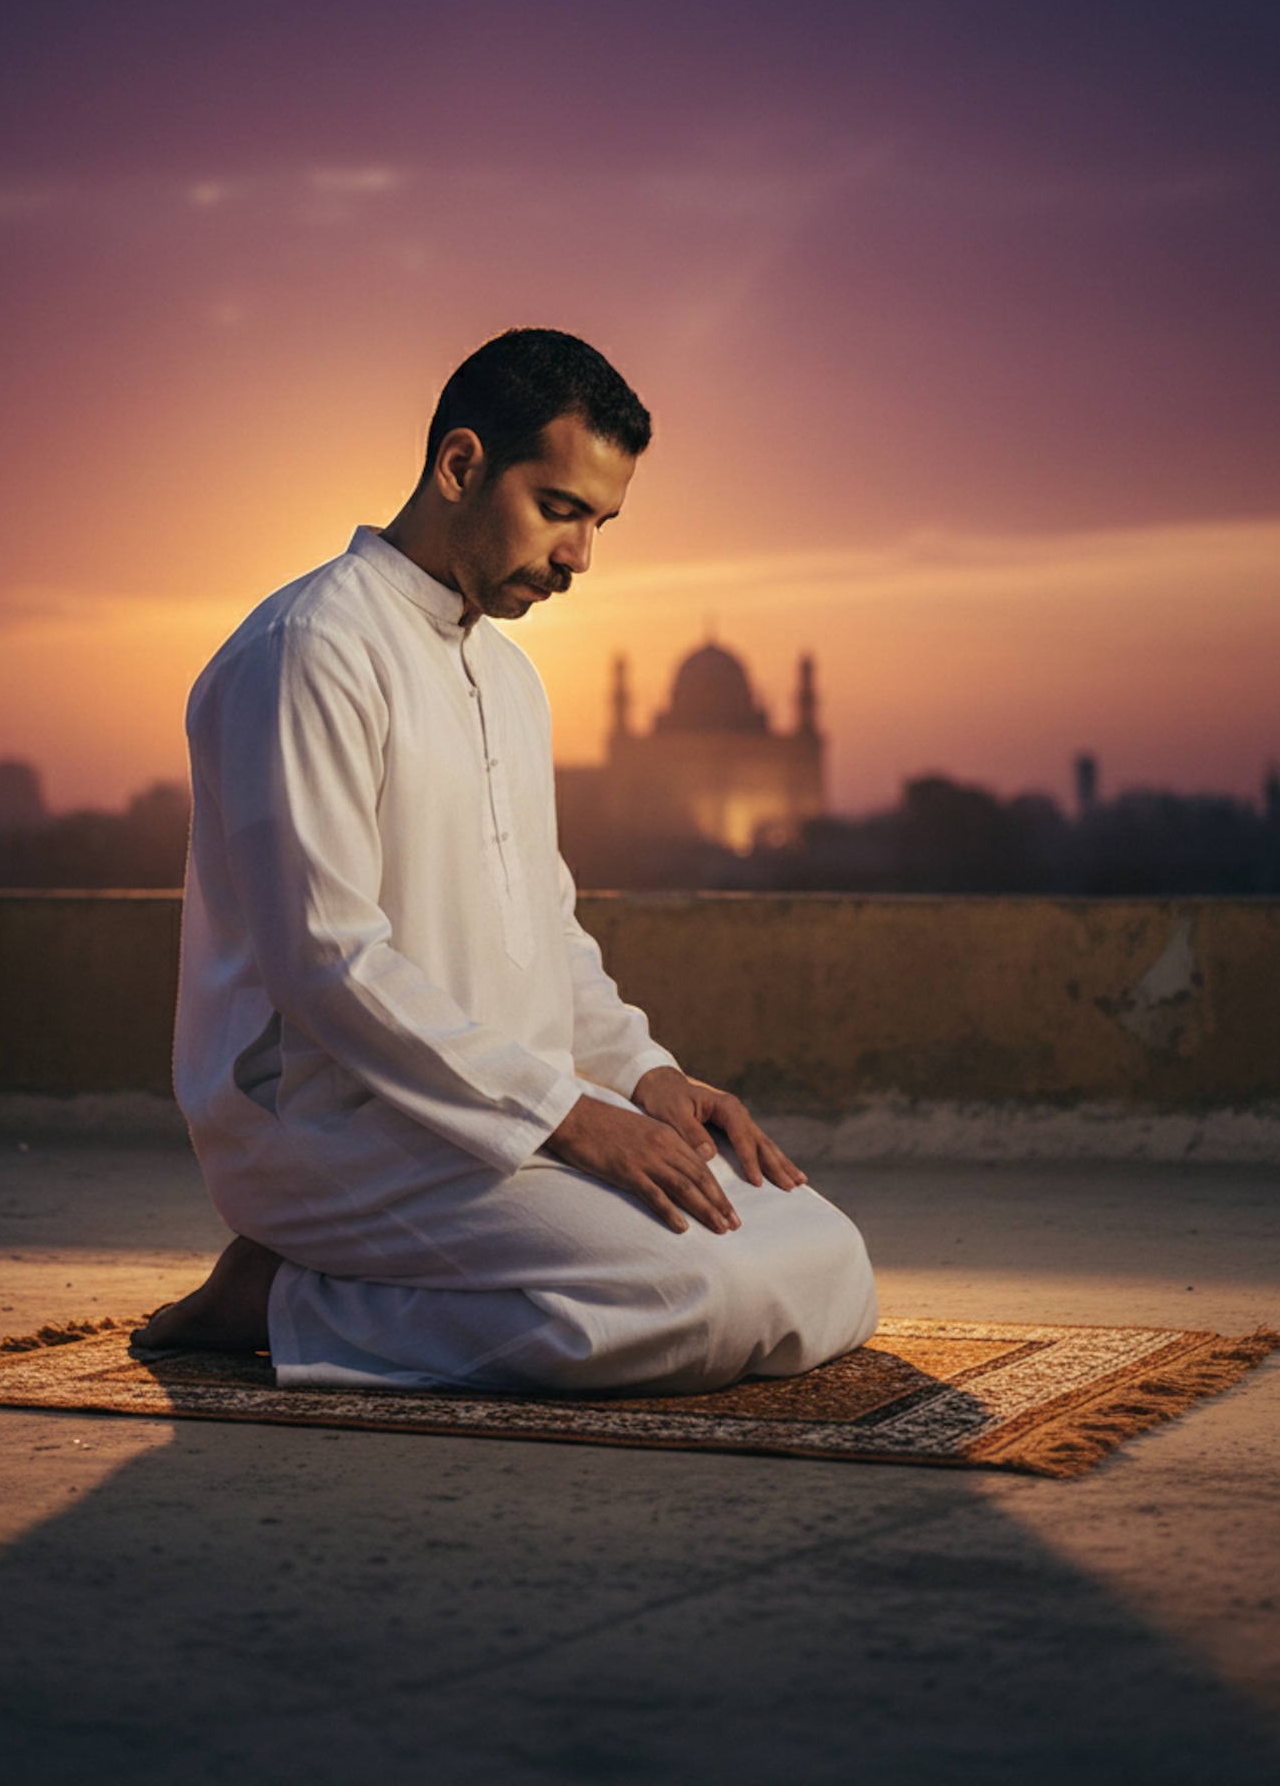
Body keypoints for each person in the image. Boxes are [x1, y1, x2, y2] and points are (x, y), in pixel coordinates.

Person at [140, 328, 879, 1393]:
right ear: (460, 465)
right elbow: (328, 964)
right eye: (560, 508)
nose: (582, 556)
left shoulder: (512, 677)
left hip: (510, 1107)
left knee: (827, 1261)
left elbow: (548, 932)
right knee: (702, 1301)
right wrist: (570, 1118)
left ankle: (324, 1286)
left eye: (601, 522)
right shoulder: (308, 653)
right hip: (340, 1130)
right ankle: (289, 1292)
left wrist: (643, 1074)